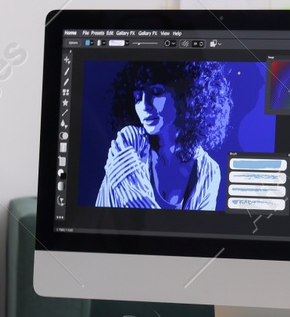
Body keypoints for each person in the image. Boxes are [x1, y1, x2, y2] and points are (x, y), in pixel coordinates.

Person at [95, 61, 230, 210]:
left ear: (184, 94)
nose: (144, 106)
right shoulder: (129, 141)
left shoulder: (209, 170)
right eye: (138, 97)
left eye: (156, 93)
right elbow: (138, 215)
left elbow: (200, 230)